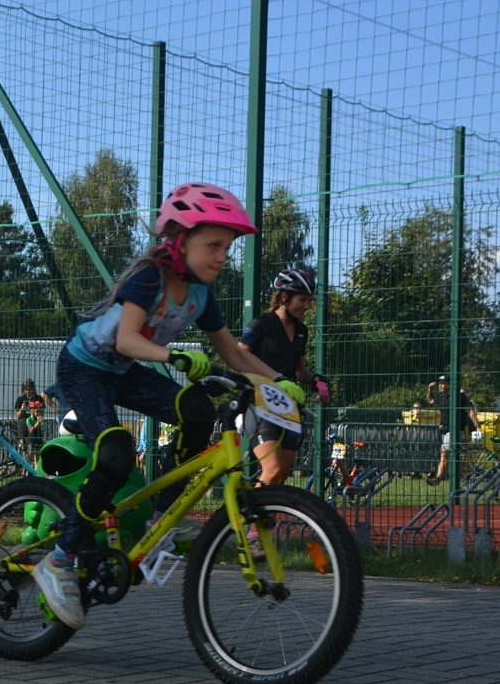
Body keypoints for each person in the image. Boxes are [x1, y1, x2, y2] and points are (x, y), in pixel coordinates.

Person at [34, 182, 293, 630]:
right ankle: (59, 560)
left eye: (227, 248)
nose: (222, 256)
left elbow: (233, 354)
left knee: (198, 410)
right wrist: (174, 356)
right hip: (84, 368)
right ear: (181, 240)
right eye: (213, 245)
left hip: (124, 371)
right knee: (115, 454)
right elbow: (125, 339)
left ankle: (161, 521)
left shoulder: (200, 294)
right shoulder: (149, 278)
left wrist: (282, 383)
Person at [239, 267, 327, 486]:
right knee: (273, 469)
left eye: (310, 301)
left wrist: (315, 380)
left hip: (287, 407)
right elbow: (237, 357)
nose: (307, 306)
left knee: (281, 476)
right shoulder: (262, 324)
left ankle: (264, 510)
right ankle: (248, 510)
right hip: (258, 403)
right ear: (285, 297)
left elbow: (299, 371)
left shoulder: (302, 331)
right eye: (303, 300)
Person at [427, 374, 479, 483]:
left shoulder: (459, 396)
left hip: (455, 430)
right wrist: (430, 389)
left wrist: (477, 426)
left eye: (443, 383)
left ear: (450, 384)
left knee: (444, 453)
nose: (441, 386)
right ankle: (469, 476)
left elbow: (470, 410)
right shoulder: (441, 396)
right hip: (444, 430)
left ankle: (438, 477)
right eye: (440, 384)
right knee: (457, 457)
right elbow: (430, 400)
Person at [15, 379, 46, 456]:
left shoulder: (39, 398)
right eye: (25, 389)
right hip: (23, 424)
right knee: (24, 446)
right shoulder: (20, 399)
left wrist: (35, 411)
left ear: (33, 389)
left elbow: (42, 414)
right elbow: (18, 416)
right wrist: (22, 409)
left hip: (35, 423)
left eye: (29, 389)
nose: (27, 391)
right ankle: (24, 453)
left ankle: (35, 456)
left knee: (35, 446)